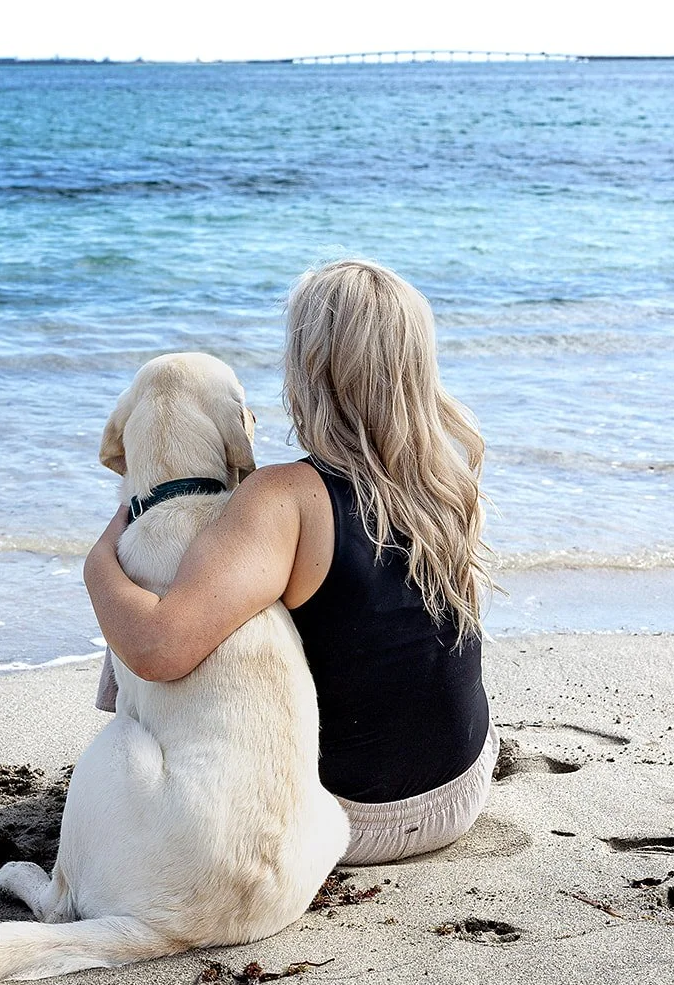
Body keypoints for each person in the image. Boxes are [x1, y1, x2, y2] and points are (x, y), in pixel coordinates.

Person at [83, 259, 496, 865]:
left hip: (341, 817)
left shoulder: (286, 497)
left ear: (309, 370)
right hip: (460, 786)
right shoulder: (448, 477)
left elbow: (156, 648)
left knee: (167, 597)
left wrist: (99, 563)